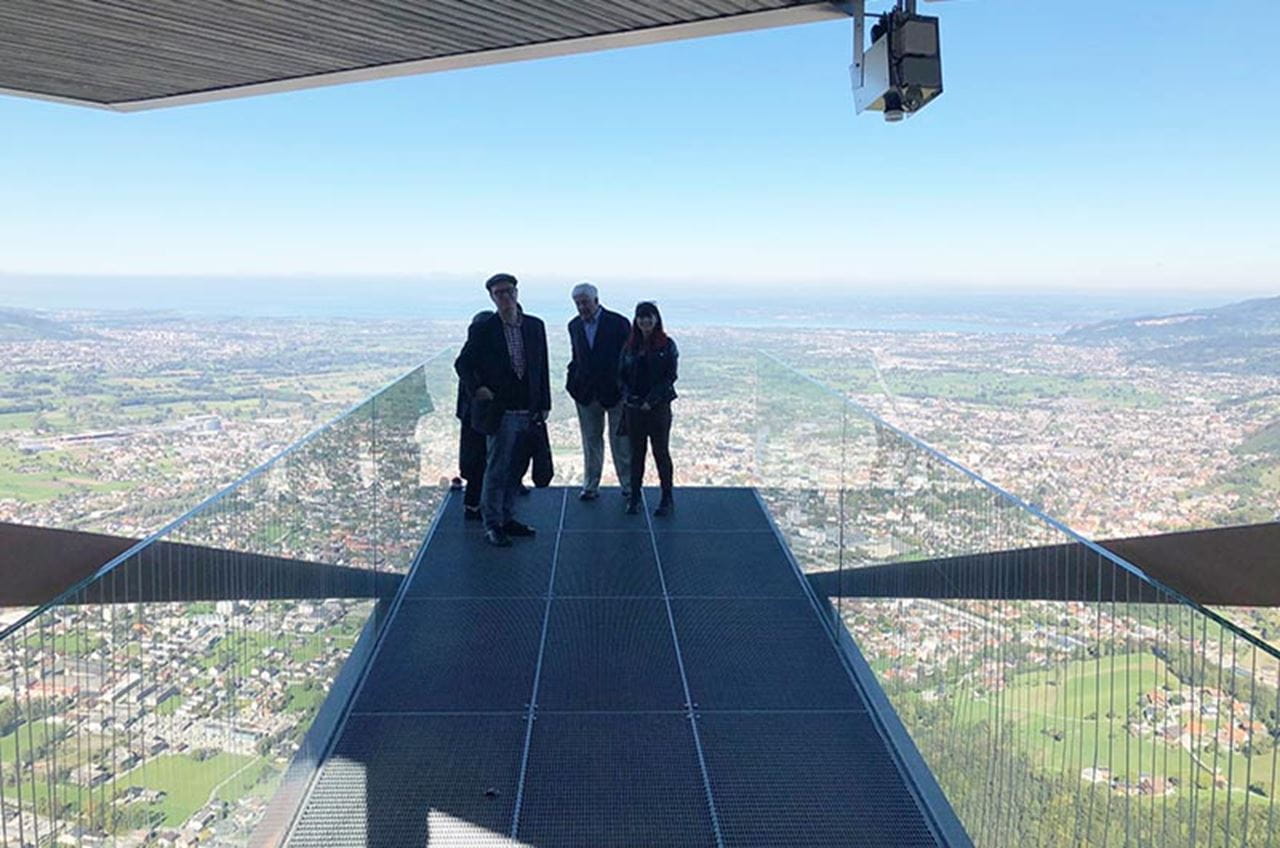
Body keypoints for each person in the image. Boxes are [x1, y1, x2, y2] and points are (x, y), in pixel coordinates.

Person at [454, 273, 551, 547]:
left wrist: (544, 403)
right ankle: (493, 524)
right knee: (496, 468)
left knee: (516, 469)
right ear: (492, 297)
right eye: (499, 293)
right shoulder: (484, 329)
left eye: (509, 291)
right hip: (501, 410)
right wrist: (478, 389)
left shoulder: (535, 326)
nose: (505, 297)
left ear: (517, 292)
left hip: (528, 409)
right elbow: (462, 364)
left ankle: (508, 517)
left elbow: (541, 367)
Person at [566, 282, 633, 501]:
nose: (581, 307)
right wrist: (572, 383)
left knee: (621, 441)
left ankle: (629, 486)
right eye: (577, 303)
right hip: (586, 393)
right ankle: (591, 485)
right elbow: (576, 357)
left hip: (615, 393)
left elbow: (629, 358)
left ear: (596, 300)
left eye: (584, 302)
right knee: (591, 440)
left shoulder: (618, 323)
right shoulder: (574, 325)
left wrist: (624, 386)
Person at [618, 301, 678, 517]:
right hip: (634, 408)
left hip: (658, 408)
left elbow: (670, 377)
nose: (645, 320)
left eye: (649, 316)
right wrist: (630, 398)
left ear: (656, 319)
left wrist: (651, 400)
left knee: (661, 452)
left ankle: (667, 498)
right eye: (641, 317)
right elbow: (621, 377)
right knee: (636, 454)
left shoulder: (667, 345)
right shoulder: (629, 346)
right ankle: (634, 497)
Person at [455, 310, 493, 521]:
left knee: (474, 456)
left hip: (470, 413)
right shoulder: (480, 352)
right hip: (478, 413)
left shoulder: (470, 351)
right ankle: (474, 503)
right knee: (480, 457)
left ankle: (474, 502)